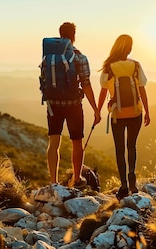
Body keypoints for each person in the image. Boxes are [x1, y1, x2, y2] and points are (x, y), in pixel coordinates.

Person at [45, 22, 101, 188]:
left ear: (60, 35)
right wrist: (96, 110)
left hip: (53, 104)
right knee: (77, 142)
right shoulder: (79, 57)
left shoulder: (49, 57)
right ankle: (77, 179)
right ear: (74, 36)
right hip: (73, 105)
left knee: (53, 142)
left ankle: (53, 182)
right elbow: (86, 84)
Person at [97, 34, 150, 199]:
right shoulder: (135, 66)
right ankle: (132, 180)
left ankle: (124, 186)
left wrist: (97, 111)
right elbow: (142, 89)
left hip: (117, 115)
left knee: (120, 149)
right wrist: (147, 111)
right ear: (128, 49)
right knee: (131, 146)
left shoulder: (109, 67)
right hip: (135, 112)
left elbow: (103, 91)